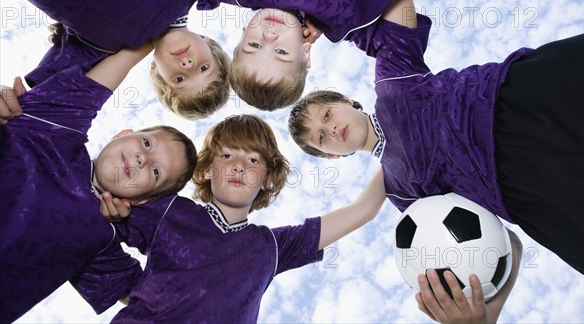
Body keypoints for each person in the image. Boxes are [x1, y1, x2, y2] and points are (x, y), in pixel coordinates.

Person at [288, 0, 584, 285]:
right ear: (333, 155)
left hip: (519, 98)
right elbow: (503, 244)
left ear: (345, 101)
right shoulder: (395, 188)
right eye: (321, 138)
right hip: (527, 187)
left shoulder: (392, 80)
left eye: (327, 115)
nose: (330, 129)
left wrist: (327, 17)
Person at [1, 0, 433, 115]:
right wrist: (324, 21)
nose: (189, 66)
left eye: (181, 78)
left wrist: (22, 102)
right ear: (214, 42)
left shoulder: (105, 46)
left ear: (157, 70)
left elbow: (56, 91)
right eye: (206, 68)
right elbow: (398, 37)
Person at [89, 114, 386, 322]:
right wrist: (106, 217)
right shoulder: (168, 210)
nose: (239, 166)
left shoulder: (272, 246)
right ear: (206, 170)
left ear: (267, 179)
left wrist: (401, 150)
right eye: (227, 156)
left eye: (253, 159)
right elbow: (89, 225)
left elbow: (364, 209)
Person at [0, 38, 198, 322]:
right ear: (121, 134)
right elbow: (126, 56)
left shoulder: (100, 238)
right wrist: (162, 33)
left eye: (156, 172)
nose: (144, 159)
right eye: (145, 143)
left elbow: (153, 300)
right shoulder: (52, 127)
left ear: (142, 199)